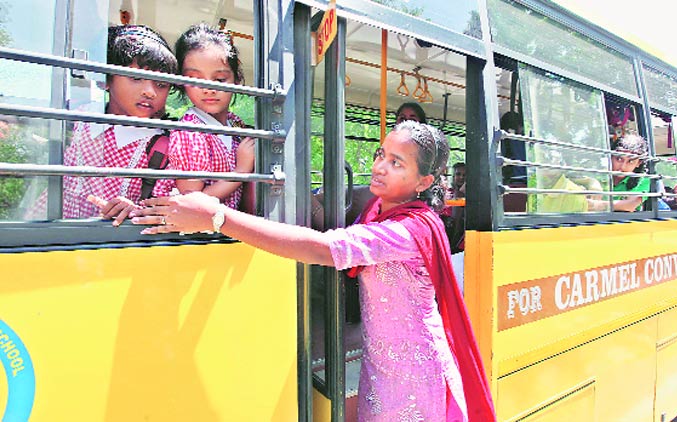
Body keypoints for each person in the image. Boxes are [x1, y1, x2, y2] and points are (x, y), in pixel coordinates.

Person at [131, 121, 496, 421]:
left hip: (414, 371)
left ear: (424, 182)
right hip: (382, 361)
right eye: (381, 154)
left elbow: (327, 247)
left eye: (397, 163)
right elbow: (327, 228)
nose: (380, 166)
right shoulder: (381, 210)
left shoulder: (408, 228)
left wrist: (218, 217)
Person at [59, 24, 177, 225]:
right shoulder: (75, 120)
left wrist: (136, 212)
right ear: (104, 79)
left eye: (161, 84)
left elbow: (169, 210)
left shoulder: (164, 146)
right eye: (136, 77)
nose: (150, 92)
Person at [152, 23, 255, 209]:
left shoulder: (235, 124)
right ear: (182, 82)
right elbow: (191, 203)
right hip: (200, 235)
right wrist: (242, 171)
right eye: (195, 80)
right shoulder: (190, 131)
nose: (208, 89)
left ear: (236, 80)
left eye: (219, 80)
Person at [588, 134, 651, 212]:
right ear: (611, 156)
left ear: (639, 163)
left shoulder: (643, 180)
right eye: (619, 159)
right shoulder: (600, 174)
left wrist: (597, 205)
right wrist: (592, 183)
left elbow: (629, 205)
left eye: (630, 162)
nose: (623, 167)